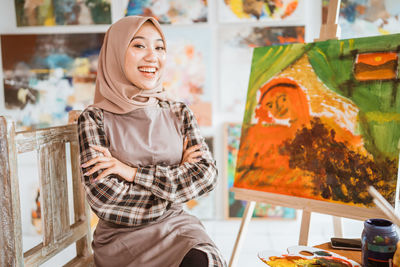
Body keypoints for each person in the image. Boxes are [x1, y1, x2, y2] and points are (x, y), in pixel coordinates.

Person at [77, 16, 226, 267]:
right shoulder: (94, 118)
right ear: (115, 52)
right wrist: (177, 184)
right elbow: (108, 201)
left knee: (203, 261)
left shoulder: (178, 111)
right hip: (121, 239)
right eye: (138, 46)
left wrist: (132, 173)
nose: (152, 57)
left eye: (159, 47)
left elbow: (207, 176)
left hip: (178, 227)